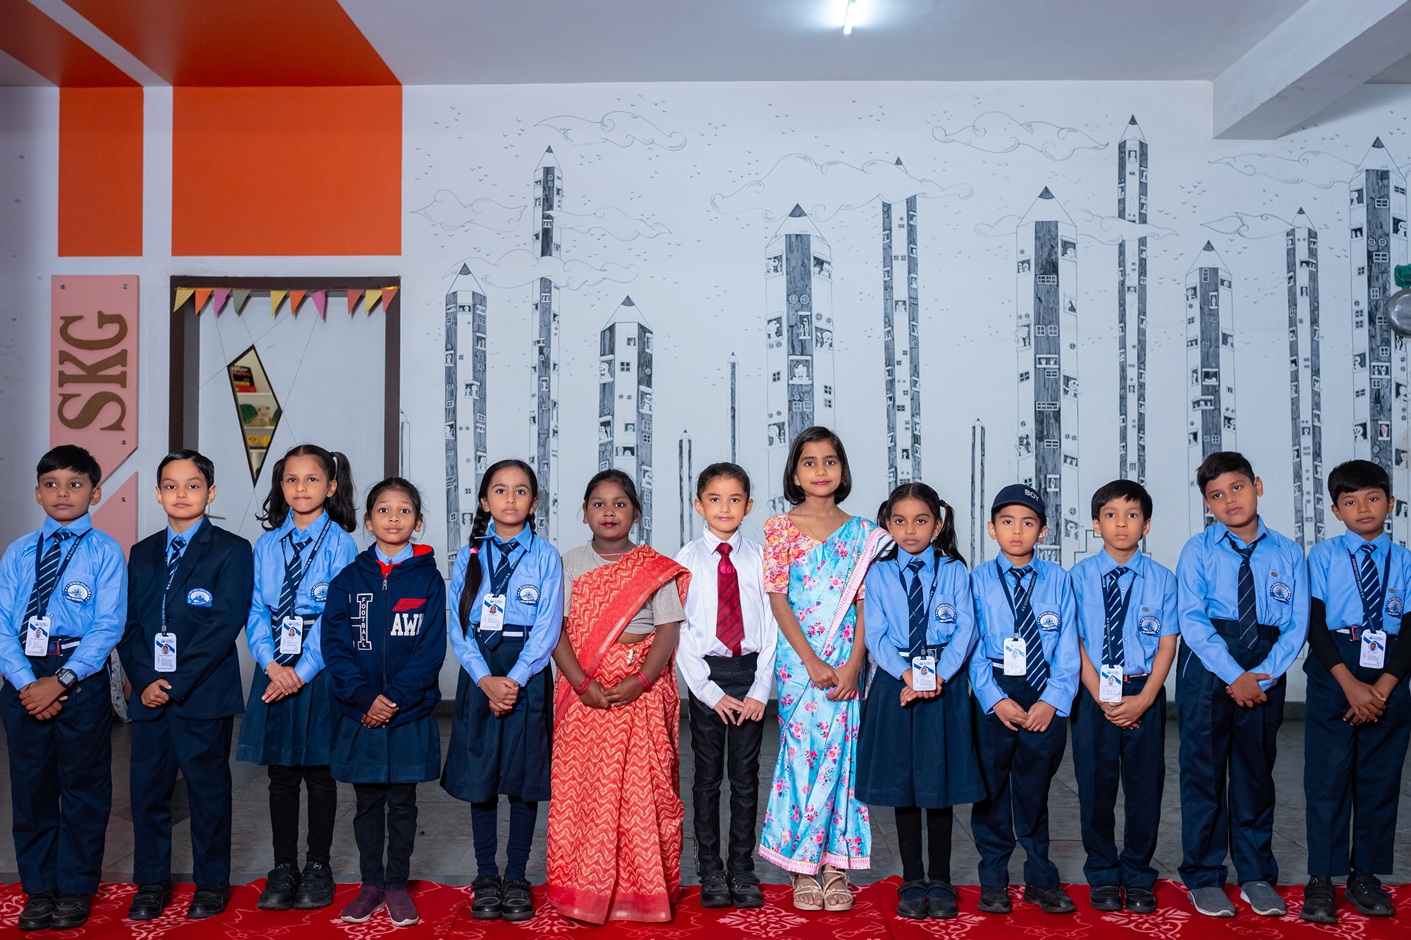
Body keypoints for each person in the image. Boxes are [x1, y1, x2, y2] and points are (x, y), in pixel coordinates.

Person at [758, 426, 891, 912]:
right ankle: (800, 866)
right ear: (795, 473)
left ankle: (836, 866)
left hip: (848, 661)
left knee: (844, 758)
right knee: (801, 757)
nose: (820, 471)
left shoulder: (864, 534)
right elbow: (778, 598)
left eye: (829, 461)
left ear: (843, 469)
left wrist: (854, 664)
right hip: (800, 664)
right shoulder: (779, 528)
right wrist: (810, 660)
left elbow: (866, 603)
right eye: (809, 462)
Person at [547, 469, 689, 924]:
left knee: (644, 795)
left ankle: (642, 892)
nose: (609, 512)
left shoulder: (654, 567)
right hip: (584, 693)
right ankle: (584, 889)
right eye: (599, 504)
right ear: (584, 513)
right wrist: (581, 684)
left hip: (641, 693)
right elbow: (555, 630)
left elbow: (668, 628)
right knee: (584, 794)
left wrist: (643, 680)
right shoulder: (568, 564)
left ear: (636, 513)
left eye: (620, 503)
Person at [120, 450, 254, 921]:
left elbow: (224, 624)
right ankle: (151, 883)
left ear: (210, 493)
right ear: (158, 494)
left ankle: (211, 884)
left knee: (207, 794)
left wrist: (173, 682)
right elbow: (128, 624)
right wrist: (144, 679)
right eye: (171, 486)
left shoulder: (232, 549)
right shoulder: (142, 552)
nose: (181, 494)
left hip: (202, 693)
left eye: (193, 485)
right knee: (147, 794)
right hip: (148, 695)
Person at [0, 445, 127, 932]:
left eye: (75, 485)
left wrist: (61, 681)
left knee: (84, 786)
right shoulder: (18, 551)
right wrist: (27, 682)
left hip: (79, 674)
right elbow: (3, 622)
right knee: (31, 787)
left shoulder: (105, 551)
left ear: (95, 493)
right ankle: (39, 889)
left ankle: (74, 888)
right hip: (24, 675)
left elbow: (108, 625)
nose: (62, 494)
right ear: (37, 493)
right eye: (51, 485)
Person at [1176, 451, 1308, 918]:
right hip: (1209, 664)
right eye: (1216, 495)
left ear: (1258, 486)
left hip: (1265, 664)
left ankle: (1255, 875)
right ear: (1207, 504)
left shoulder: (1288, 552)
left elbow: (1296, 624)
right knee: (1204, 773)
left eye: (1237, 488)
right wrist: (1234, 674)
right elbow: (1191, 619)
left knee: (1255, 773)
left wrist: (1263, 674)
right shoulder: (1198, 549)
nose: (1229, 500)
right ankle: (1203, 875)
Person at [236, 444, 358, 911]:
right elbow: (255, 610)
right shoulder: (266, 545)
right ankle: (283, 866)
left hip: (319, 667)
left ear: (330, 487)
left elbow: (336, 616)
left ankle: (318, 866)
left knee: (320, 774)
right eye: (291, 479)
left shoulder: (342, 544)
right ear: (280, 485)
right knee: (281, 775)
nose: (300, 488)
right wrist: (271, 665)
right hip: (274, 663)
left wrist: (302, 672)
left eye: (311, 479)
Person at [443, 459, 563, 923]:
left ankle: (516, 877)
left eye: (520, 491)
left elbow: (548, 627)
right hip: (480, 670)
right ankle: (486, 876)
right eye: (499, 490)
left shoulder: (546, 556)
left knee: (522, 778)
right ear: (484, 500)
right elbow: (459, 625)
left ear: (534, 502)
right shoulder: (469, 556)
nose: (510, 499)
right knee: (482, 778)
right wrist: (484, 678)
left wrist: (514, 679)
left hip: (525, 673)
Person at [322, 477, 445, 928]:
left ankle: (396, 885)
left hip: (407, 712)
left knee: (404, 803)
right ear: (369, 521)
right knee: (368, 802)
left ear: (418, 521)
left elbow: (431, 651)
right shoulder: (348, 580)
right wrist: (364, 698)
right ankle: (370, 883)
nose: (394, 518)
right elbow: (335, 646)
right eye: (384, 510)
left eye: (404, 510)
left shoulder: (429, 580)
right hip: (360, 713)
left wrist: (392, 699)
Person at [858, 483, 983, 920]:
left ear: (938, 525)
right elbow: (875, 633)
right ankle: (913, 879)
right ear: (887, 524)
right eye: (900, 521)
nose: (910, 530)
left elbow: (966, 628)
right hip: (896, 682)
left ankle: (942, 880)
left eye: (920, 520)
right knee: (904, 785)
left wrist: (938, 675)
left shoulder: (954, 571)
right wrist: (908, 674)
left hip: (944, 684)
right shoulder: (878, 574)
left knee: (938, 785)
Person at [1300, 459, 1410, 924]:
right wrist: (1349, 684)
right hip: (1335, 669)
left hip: (1390, 670)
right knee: (1326, 781)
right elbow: (1314, 624)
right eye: (1350, 501)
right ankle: (1321, 878)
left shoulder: (1405, 560)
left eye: (1372, 498)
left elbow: (1410, 628)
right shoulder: (1323, 557)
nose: (1362, 508)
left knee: (1379, 782)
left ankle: (1365, 875)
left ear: (1391, 503)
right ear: (1335, 510)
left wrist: (1382, 688)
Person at [968, 484, 1079, 916]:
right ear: (992, 529)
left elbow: (1068, 645)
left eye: (1028, 522)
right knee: (992, 788)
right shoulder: (977, 580)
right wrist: (994, 699)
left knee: (1035, 788)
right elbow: (971, 646)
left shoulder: (1058, 579)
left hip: (1043, 687)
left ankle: (1040, 878)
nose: (1017, 531)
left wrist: (1053, 700)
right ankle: (993, 878)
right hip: (996, 688)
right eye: (1007, 522)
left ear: (1043, 531)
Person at [1068, 480, 1177, 915]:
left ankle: (1137, 873)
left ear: (1146, 525)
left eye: (1132, 515)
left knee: (1145, 788)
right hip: (1094, 692)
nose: (1121, 524)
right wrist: (1101, 697)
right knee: (1095, 787)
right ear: (1096, 524)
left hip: (1142, 689)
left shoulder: (1162, 579)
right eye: (1111, 515)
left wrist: (1146, 698)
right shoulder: (1077, 578)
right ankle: (1102, 873)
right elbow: (1073, 642)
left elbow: (1167, 643)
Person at [674, 462, 774, 910]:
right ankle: (711, 869)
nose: (725, 508)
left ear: (748, 506)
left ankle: (742, 867)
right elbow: (679, 630)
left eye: (735, 499)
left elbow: (774, 625)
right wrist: (709, 693)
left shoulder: (762, 558)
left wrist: (759, 690)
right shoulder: (685, 560)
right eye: (715, 499)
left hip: (750, 675)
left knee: (746, 778)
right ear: (699, 505)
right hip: (707, 679)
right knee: (708, 778)